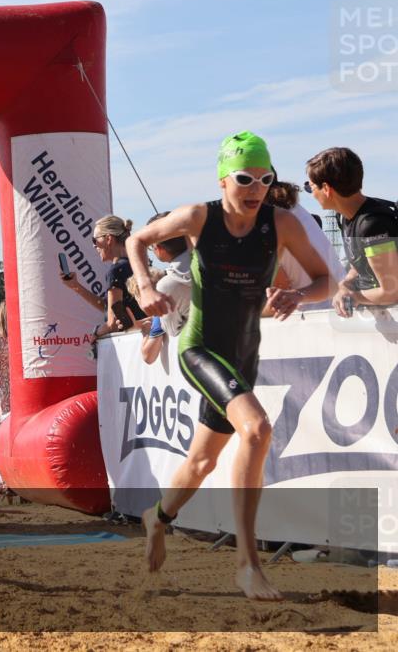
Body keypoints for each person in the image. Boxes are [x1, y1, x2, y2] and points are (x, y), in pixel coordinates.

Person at [126, 131, 330, 600]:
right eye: (244, 178)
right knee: (257, 429)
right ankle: (247, 564)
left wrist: (298, 295)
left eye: (265, 179)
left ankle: (158, 516)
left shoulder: (281, 224)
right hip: (200, 348)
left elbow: (324, 280)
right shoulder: (200, 216)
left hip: (243, 355)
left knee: (202, 461)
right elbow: (137, 240)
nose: (256, 188)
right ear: (223, 180)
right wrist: (145, 286)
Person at [304, 147, 398, 313]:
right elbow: (362, 261)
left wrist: (355, 297)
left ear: (326, 189)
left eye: (310, 187)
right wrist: (345, 284)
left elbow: (391, 292)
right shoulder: (346, 216)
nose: (311, 194)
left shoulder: (373, 225)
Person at [60, 215, 147, 338]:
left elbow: (112, 324)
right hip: (145, 335)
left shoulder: (116, 270)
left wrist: (95, 333)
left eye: (94, 240)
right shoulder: (138, 264)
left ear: (108, 239)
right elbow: (109, 308)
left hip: (130, 340)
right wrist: (76, 286)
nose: (94, 246)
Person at [265, 178, 345, 311]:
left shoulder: (271, 220)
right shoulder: (293, 208)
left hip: (314, 313)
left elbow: (278, 291)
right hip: (340, 303)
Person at [137, 212, 193, 364]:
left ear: (159, 248)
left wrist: (156, 318)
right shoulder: (212, 258)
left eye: (151, 247)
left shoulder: (166, 285)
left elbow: (172, 331)